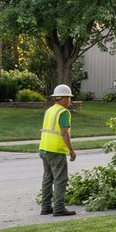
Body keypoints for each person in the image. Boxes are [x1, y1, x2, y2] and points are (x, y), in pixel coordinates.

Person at [39, 84, 77, 216]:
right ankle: (59, 208)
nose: (70, 101)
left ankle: (45, 207)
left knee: (47, 178)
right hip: (56, 150)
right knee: (60, 179)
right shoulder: (63, 112)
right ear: (64, 98)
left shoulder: (49, 110)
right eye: (69, 98)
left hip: (44, 148)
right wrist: (71, 150)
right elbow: (64, 133)